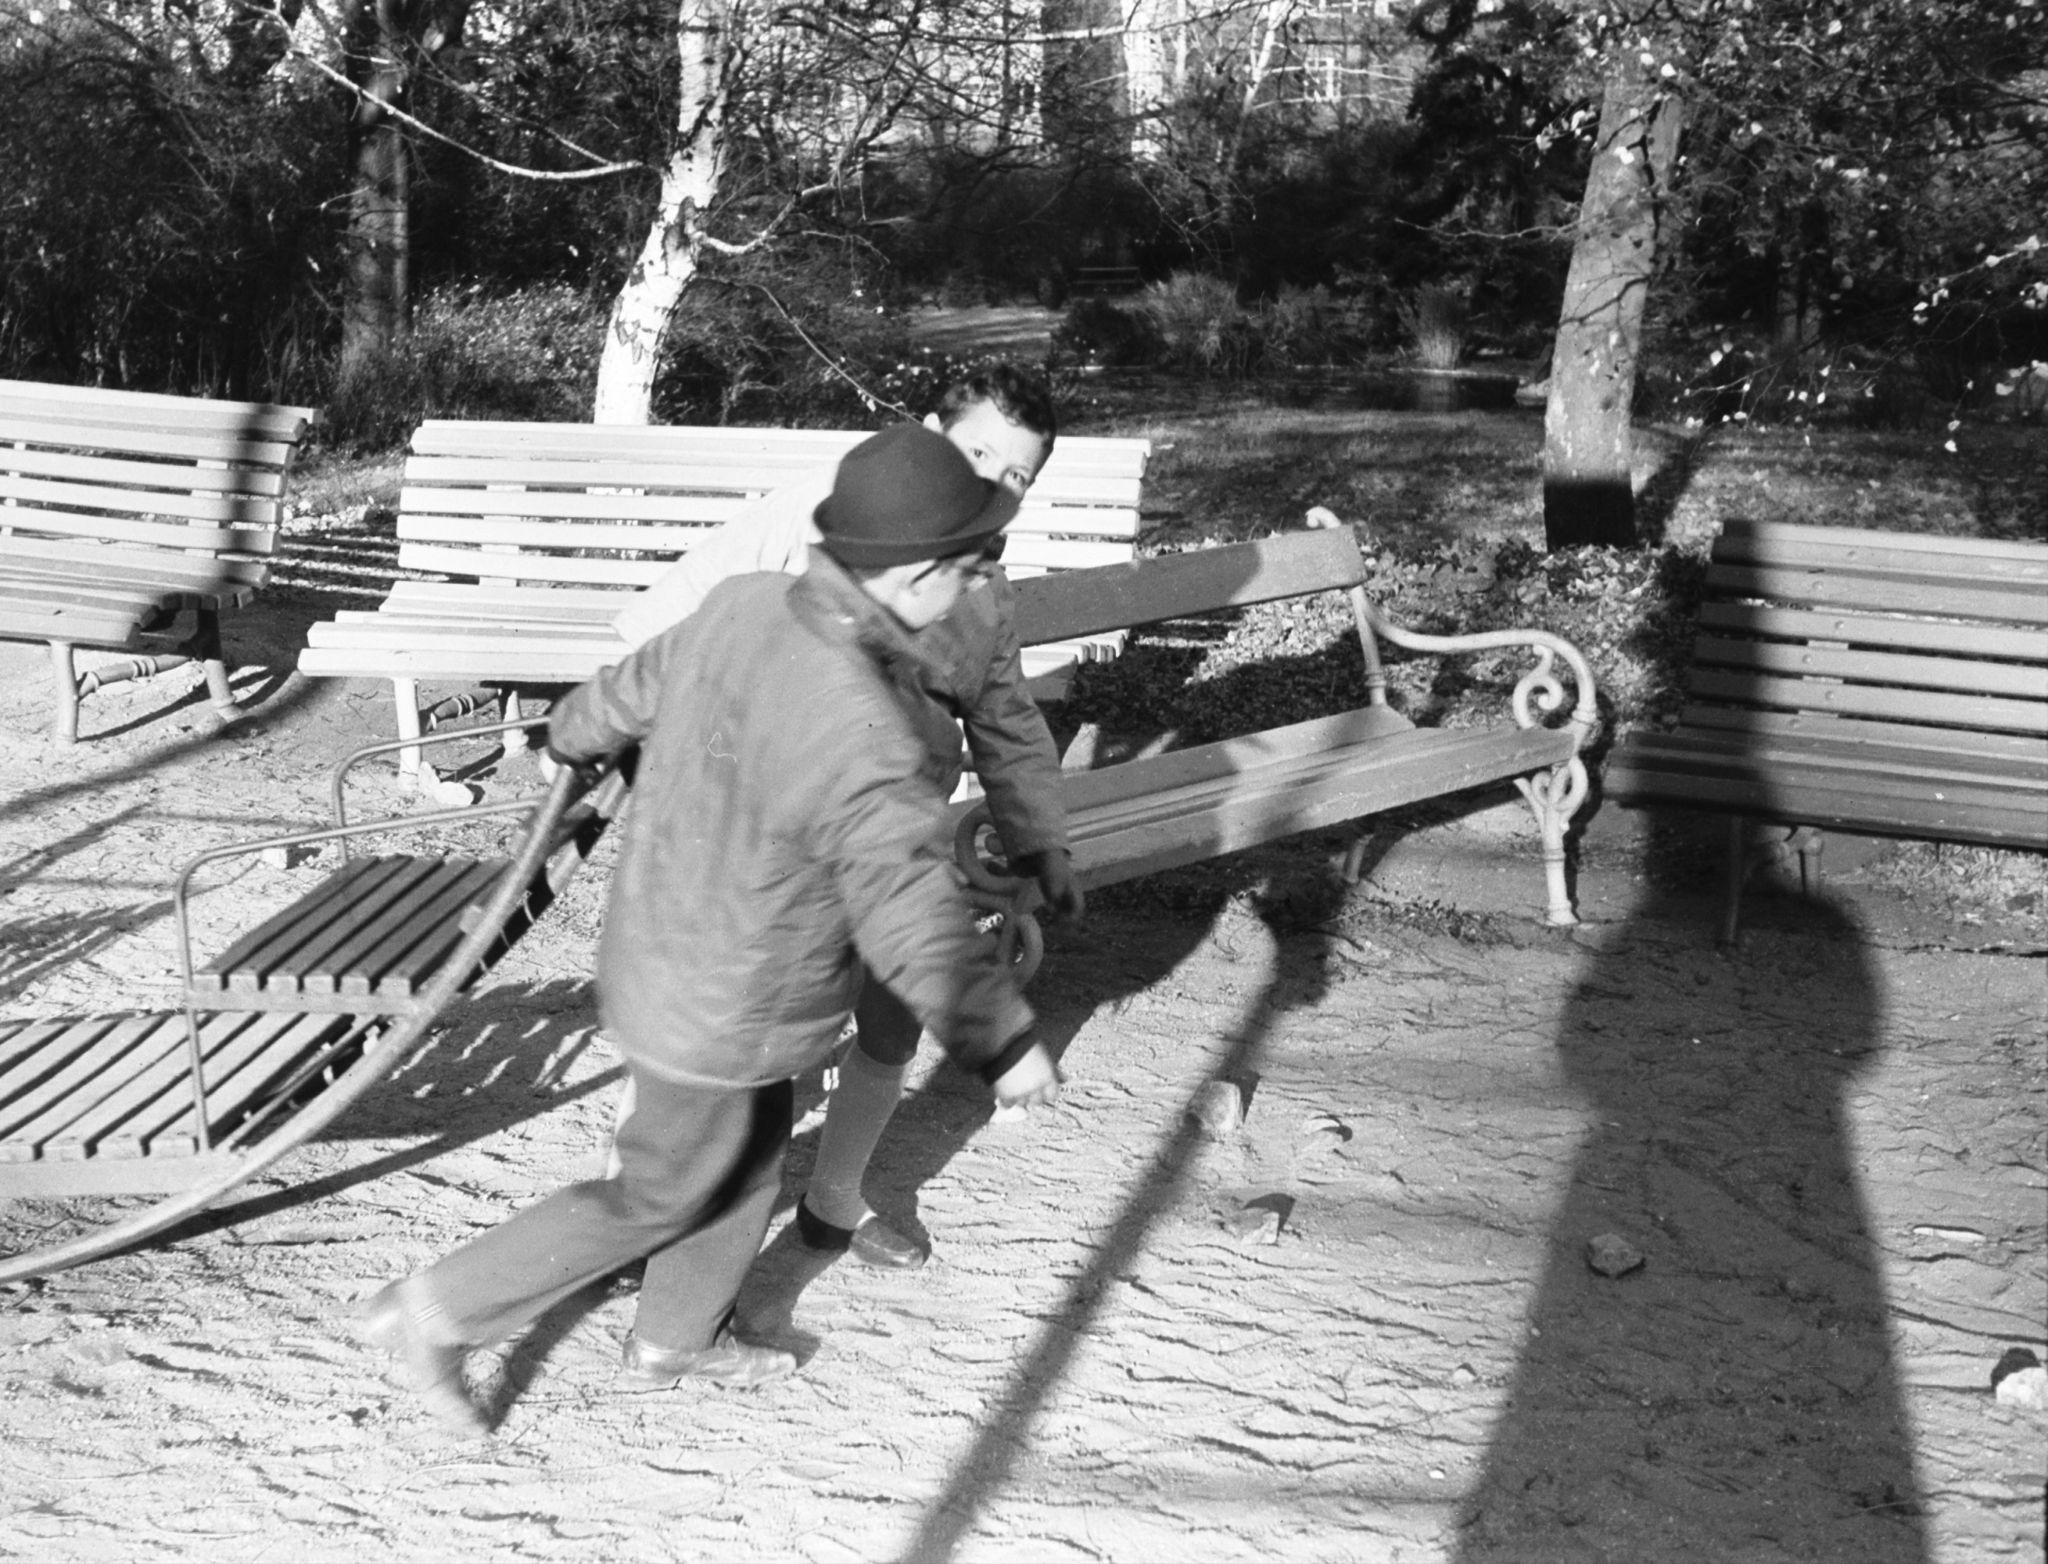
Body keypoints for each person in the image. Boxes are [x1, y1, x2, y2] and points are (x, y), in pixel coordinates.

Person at [359, 425, 1064, 1436]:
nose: (975, 586)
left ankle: (674, 1338)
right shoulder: (862, 723)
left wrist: (571, 734)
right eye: (968, 566)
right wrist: (1003, 1042)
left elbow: (625, 690)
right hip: (727, 998)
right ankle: (436, 1311)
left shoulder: (746, 603)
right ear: (915, 576)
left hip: (675, 950)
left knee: (751, 1146)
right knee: (658, 1191)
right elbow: (909, 911)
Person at [608, 365, 1083, 1273]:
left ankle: (834, 1198)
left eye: (1016, 475)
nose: (991, 483)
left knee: (892, 1014)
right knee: (722, 1032)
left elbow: (1006, 719)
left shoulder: (983, 592)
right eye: (976, 453)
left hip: (888, 840)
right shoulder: (817, 518)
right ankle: (638, 1214)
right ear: (926, 432)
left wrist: (1041, 839)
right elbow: (665, 631)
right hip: (768, 844)